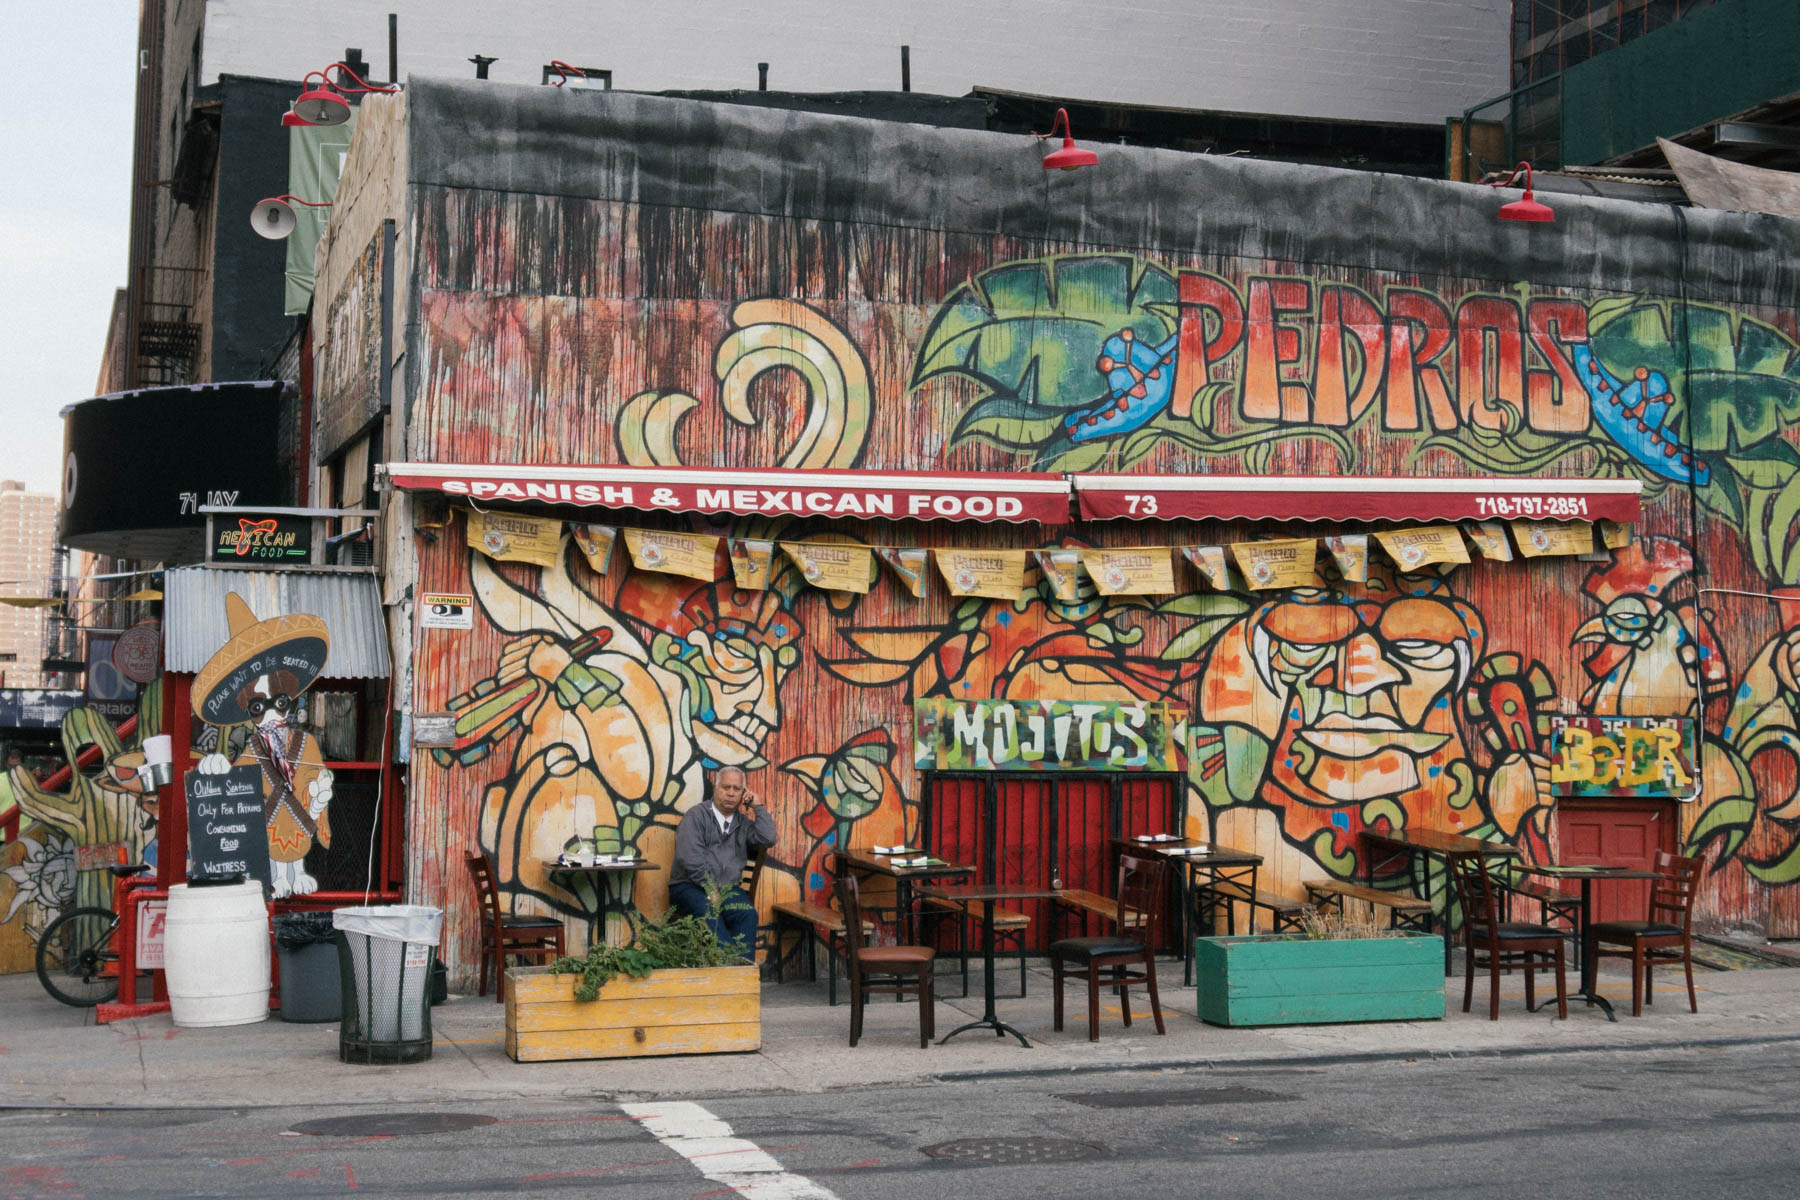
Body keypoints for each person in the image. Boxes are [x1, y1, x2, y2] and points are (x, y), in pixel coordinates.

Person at [668, 766, 775, 957]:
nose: (731, 793)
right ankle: (731, 966)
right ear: (716, 789)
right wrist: (710, 888)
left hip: (727, 889)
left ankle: (741, 976)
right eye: (726, 787)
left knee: (747, 914)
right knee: (710, 910)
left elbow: (768, 838)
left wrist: (757, 807)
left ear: (744, 794)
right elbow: (690, 858)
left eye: (737, 789)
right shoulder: (696, 816)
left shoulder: (743, 824)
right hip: (689, 887)